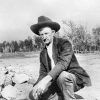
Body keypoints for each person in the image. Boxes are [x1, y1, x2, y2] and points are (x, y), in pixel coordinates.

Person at [29, 16, 91, 100]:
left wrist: (45, 80)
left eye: (46, 33)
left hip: (72, 79)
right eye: (41, 35)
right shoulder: (43, 53)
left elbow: (63, 64)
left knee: (63, 76)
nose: (44, 37)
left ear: (53, 32)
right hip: (55, 81)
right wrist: (36, 86)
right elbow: (43, 73)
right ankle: (61, 96)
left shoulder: (64, 43)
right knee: (34, 94)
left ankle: (69, 98)